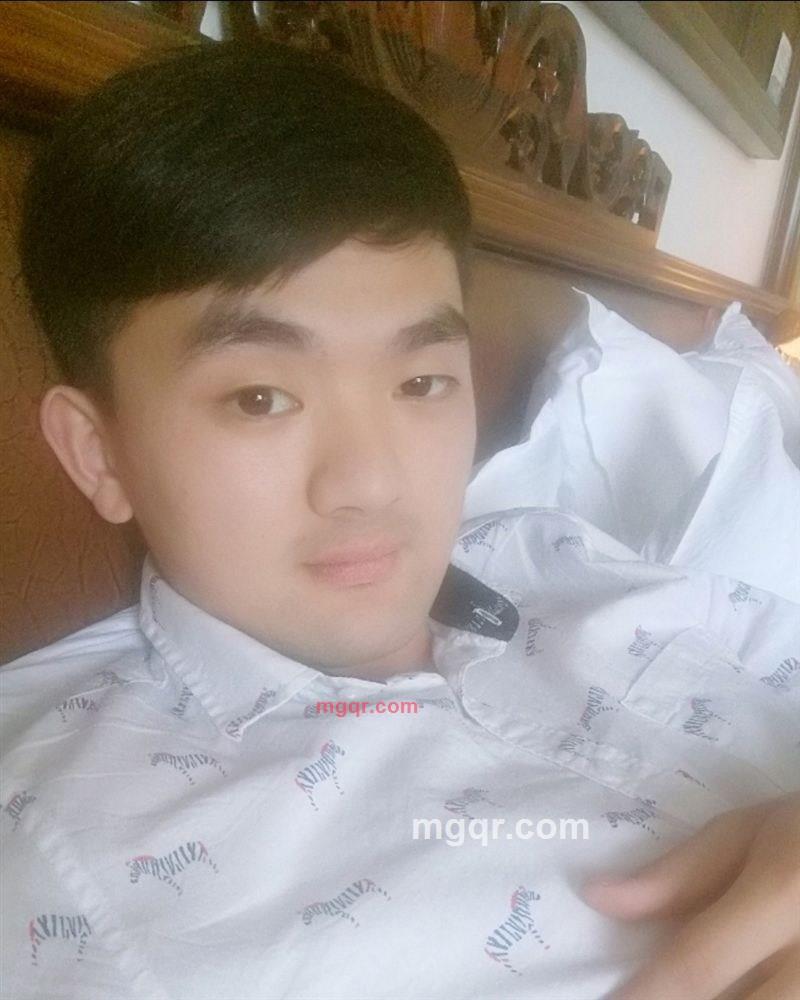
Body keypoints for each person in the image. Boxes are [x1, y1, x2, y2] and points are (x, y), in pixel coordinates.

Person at [1, 38, 798, 1000]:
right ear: (99, 453)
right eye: (260, 398)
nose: (372, 483)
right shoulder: (53, 866)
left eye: (422, 382)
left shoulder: (554, 551)